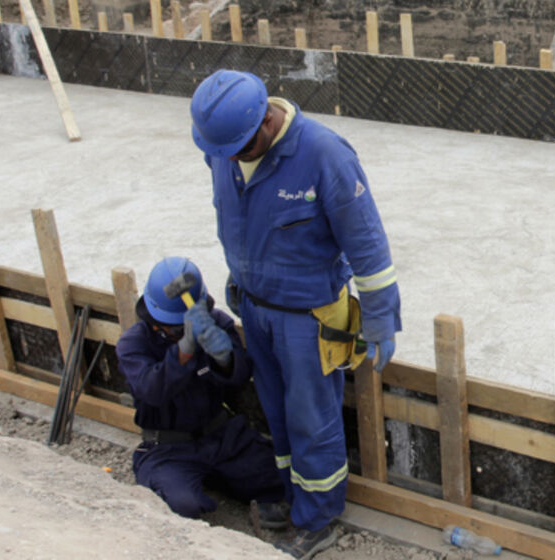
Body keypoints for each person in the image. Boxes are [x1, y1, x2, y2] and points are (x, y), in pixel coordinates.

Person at [189, 70, 401, 560]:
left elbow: (367, 245)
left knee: (312, 419)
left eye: (238, 149)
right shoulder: (225, 150)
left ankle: (318, 518)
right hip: (256, 309)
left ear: (266, 122)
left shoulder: (323, 155)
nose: (227, 160)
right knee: (277, 413)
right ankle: (291, 494)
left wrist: (380, 318)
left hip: (309, 319)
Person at [116, 257, 289, 528]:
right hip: (169, 446)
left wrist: (226, 359)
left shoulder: (215, 323)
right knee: (183, 505)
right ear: (154, 321)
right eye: (172, 329)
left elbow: (240, 377)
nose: (177, 332)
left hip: (220, 436)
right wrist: (183, 351)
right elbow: (152, 389)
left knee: (282, 477)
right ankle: (191, 480)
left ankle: (221, 477)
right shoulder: (133, 344)